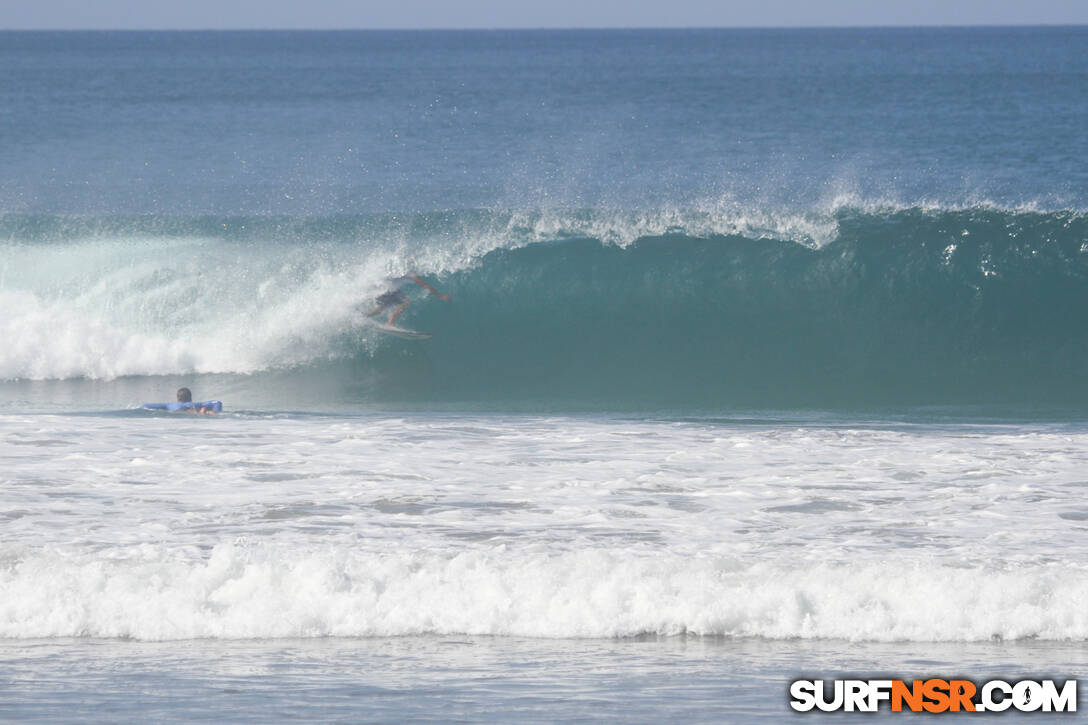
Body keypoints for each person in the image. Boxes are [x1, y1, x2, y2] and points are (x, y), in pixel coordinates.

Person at [366, 272, 450, 327]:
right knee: (405, 302)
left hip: (383, 288)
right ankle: (389, 323)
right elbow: (425, 285)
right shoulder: (411, 274)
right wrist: (439, 296)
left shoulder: (404, 269)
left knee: (383, 307)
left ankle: (365, 316)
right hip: (386, 289)